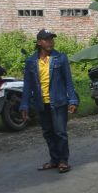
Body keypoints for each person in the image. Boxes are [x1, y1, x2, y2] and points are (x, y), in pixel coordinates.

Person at [20, 29, 80, 173]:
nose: (50, 42)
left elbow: (68, 81)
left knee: (60, 132)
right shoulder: (31, 61)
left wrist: (72, 100)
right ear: (39, 42)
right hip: (41, 103)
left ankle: (63, 161)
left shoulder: (61, 58)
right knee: (47, 132)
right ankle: (54, 160)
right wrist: (24, 105)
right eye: (47, 40)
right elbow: (27, 85)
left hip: (59, 102)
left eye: (52, 39)